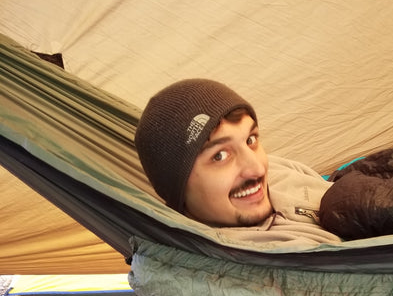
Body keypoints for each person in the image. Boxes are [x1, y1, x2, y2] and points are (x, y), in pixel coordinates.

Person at [134, 78, 341, 247]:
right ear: (176, 187)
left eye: (250, 140)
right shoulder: (245, 266)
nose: (258, 168)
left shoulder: (281, 169)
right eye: (220, 156)